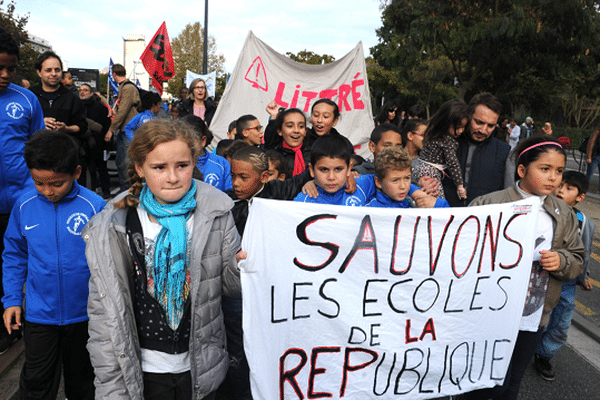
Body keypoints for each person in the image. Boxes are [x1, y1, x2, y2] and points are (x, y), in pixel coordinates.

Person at [84, 118, 241, 399]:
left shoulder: (216, 212)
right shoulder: (115, 222)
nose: (172, 177)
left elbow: (230, 287)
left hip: (200, 368)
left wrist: (244, 266)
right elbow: (103, 312)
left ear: (195, 162)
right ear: (140, 169)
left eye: (182, 165)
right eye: (159, 168)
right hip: (143, 370)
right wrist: (110, 385)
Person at [464, 136, 584, 400]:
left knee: (511, 383)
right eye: (545, 169)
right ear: (522, 170)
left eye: (559, 171)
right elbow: (460, 250)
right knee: (484, 383)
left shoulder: (564, 214)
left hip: (533, 318)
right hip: (490, 314)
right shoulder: (489, 204)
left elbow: (577, 259)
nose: (554, 178)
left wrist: (561, 261)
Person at [2, 130, 105, 400]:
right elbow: (14, 254)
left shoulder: (95, 207)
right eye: (39, 183)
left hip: (86, 315)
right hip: (39, 315)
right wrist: (12, 299)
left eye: (57, 184)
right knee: (36, 382)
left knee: (83, 382)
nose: (48, 191)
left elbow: (110, 261)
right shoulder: (23, 205)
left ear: (77, 172)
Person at [223, 146, 311, 399]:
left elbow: (315, 169)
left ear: (263, 177)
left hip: (273, 289)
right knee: (238, 352)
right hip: (237, 290)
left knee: (272, 345)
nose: (236, 183)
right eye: (233, 176)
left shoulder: (278, 192)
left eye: (244, 177)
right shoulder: (226, 202)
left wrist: (355, 177)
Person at [0, 27, 46, 353]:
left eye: (11, 68)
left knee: (16, 263)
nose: (5, 75)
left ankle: (12, 324)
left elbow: (40, 148)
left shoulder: (27, 100)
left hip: (20, 202)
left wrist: (34, 190)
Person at [534, 171, 595, 381]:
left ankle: (544, 354)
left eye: (569, 188)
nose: (561, 190)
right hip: (541, 278)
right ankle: (524, 349)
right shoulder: (542, 210)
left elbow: (584, 251)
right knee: (538, 318)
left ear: (580, 197)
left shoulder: (584, 222)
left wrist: (583, 275)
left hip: (567, 283)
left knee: (560, 323)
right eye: (561, 185)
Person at [441, 92, 511, 207]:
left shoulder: (505, 152)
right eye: (479, 122)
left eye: (490, 126)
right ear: (468, 116)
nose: (483, 130)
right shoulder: (445, 143)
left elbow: (509, 195)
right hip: (445, 218)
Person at [294, 135, 376, 205]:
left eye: (338, 169)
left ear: (348, 169)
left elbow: (386, 180)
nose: (331, 177)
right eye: (324, 169)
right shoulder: (303, 201)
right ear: (312, 170)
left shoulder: (362, 185)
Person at [413, 98, 469, 200]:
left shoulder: (433, 132)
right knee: (438, 201)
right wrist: (460, 185)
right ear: (446, 123)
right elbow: (453, 163)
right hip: (430, 172)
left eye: (464, 127)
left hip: (420, 167)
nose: (461, 130)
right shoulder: (447, 141)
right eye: (458, 127)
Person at [366, 145, 449, 208]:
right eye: (395, 180)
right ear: (378, 182)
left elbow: (451, 221)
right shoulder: (369, 208)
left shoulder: (417, 205)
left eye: (407, 178)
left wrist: (437, 204)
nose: (403, 186)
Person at [30, 52, 87, 138]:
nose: (54, 74)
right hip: (33, 148)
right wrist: (39, 123)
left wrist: (66, 128)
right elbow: (18, 123)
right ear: (39, 72)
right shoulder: (29, 95)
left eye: (57, 70)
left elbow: (82, 126)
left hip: (63, 148)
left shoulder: (72, 97)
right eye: (48, 70)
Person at [105, 63, 141, 192]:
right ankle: (127, 190)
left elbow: (124, 111)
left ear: (114, 74)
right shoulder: (124, 87)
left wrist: (111, 129)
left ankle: (128, 191)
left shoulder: (128, 88)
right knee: (122, 162)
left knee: (125, 163)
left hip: (128, 131)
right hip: (125, 129)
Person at [183, 115, 233, 192]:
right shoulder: (173, 164)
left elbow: (230, 193)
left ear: (203, 141)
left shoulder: (221, 164)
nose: (183, 146)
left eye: (189, 142)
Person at [80, 83, 112, 199]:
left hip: (98, 143)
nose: (82, 92)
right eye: (81, 90)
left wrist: (107, 144)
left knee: (101, 168)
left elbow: (106, 125)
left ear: (91, 93)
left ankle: (105, 190)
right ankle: (89, 190)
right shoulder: (77, 106)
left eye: (85, 90)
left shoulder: (100, 107)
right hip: (83, 142)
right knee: (86, 170)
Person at [270, 108, 310, 176]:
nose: (296, 131)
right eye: (290, 126)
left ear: (305, 131)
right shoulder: (272, 157)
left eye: (301, 126)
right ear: (280, 131)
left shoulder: (314, 154)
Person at [585, 127, 600, 192]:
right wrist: (589, 156)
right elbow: (591, 143)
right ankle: (584, 187)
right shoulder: (598, 132)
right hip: (595, 156)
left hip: (596, 156)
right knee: (589, 174)